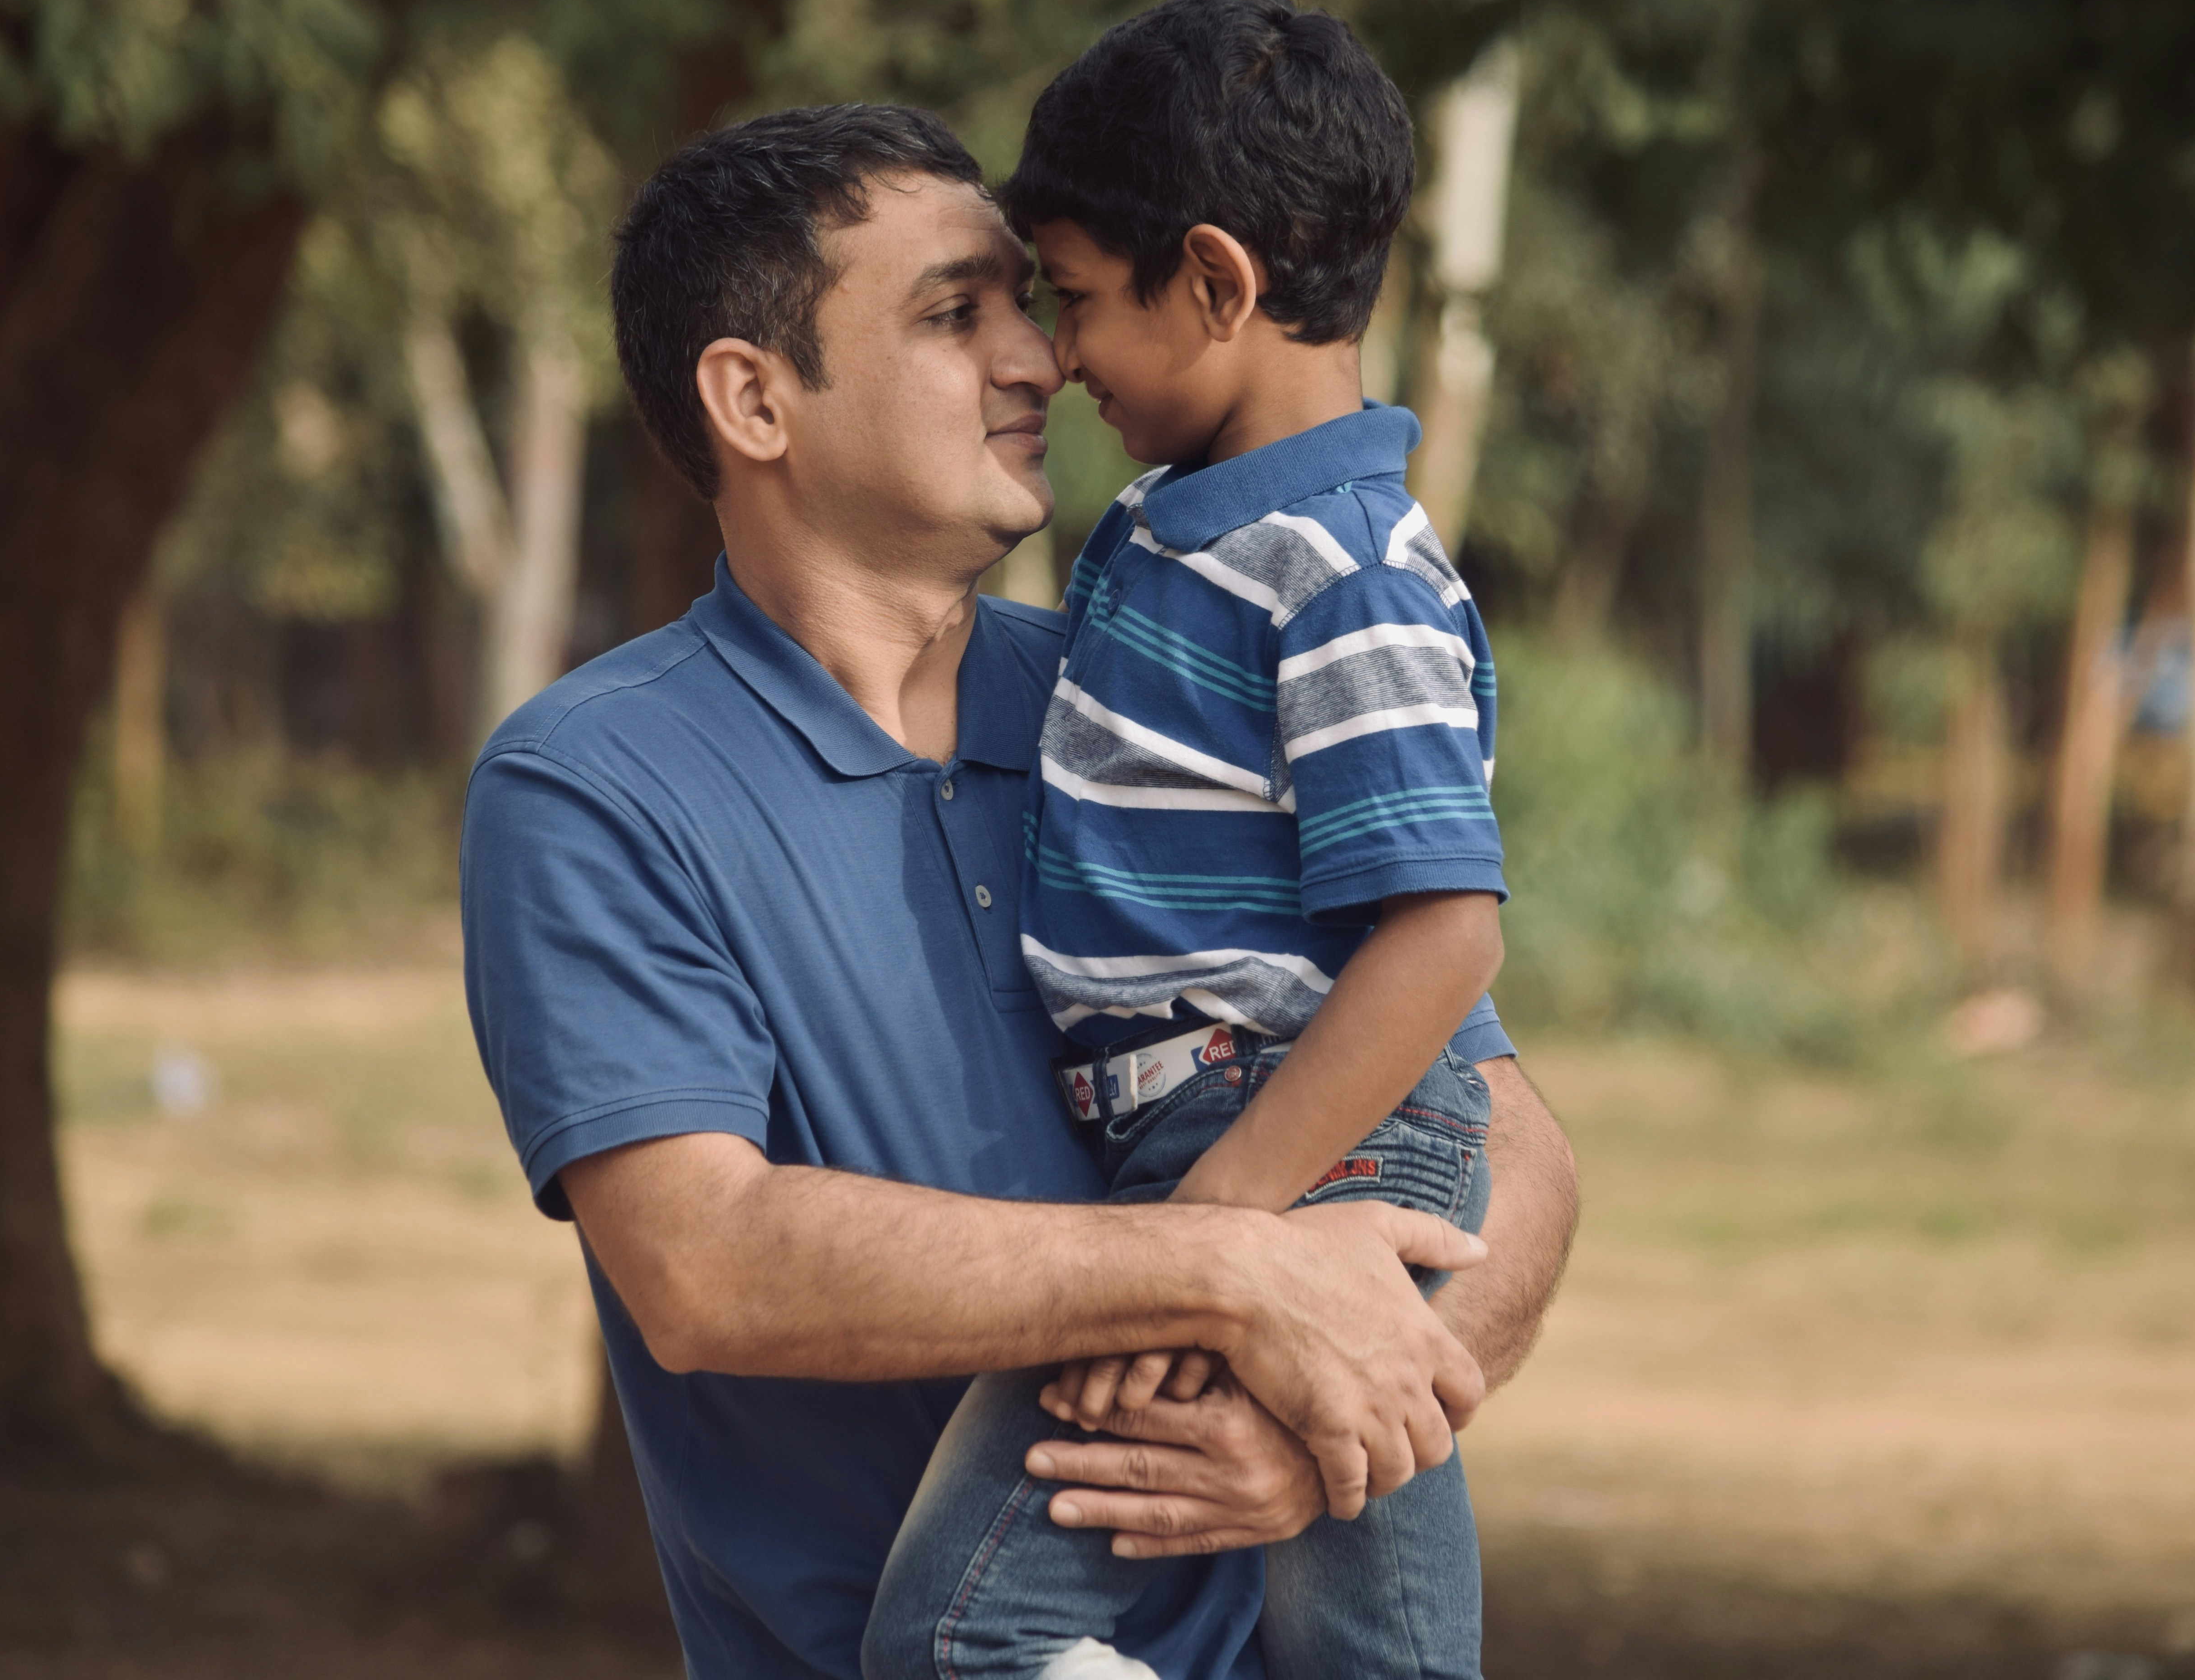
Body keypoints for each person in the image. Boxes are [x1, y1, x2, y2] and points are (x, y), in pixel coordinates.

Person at [459, 99, 1580, 1680]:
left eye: (1031, 305)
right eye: (953, 313)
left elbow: (1511, 1148)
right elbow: (706, 1266)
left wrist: (1339, 1425)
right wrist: (1229, 1268)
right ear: (754, 398)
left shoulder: (1160, 694)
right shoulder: (594, 784)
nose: (1041, 361)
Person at [862, 0, 1507, 1680]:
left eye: (1073, 301)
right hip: (1199, 1155)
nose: (1054, 359)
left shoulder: (1348, 570)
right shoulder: (1166, 531)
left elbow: (1446, 934)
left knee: (968, 1638)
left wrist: (1224, 1228)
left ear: (1216, 283)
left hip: (1293, 1155)